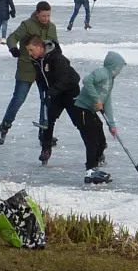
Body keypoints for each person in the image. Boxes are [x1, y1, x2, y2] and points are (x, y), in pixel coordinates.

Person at [25, 34, 110, 183]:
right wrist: (46, 93)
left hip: (70, 94)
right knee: (48, 121)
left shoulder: (57, 59)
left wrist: (52, 91)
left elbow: (72, 78)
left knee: (83, 125)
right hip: (55, 95)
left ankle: (98, 152)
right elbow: (41, 78)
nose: (30, 53)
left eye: (32, 50)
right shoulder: (37, 60)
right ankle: (46, 148)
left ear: (40, 47)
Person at [0, 1, 58, 146]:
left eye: (48, 16)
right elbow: (12, 38)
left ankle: (44, 131)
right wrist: (13, 49)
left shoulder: (52, 27)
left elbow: (55, 45)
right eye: (43, 16)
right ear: (37, 14)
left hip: (44, 69)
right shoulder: (27, 25)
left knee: (46, 100)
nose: (46, 18)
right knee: (18, 99)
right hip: (26, 67)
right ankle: (5, 126)